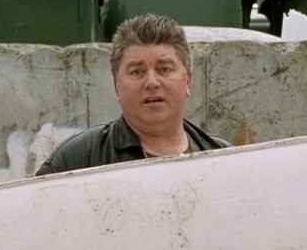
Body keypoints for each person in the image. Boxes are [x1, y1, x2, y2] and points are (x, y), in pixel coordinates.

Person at [35, 14, 232, 176]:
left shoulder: (226, 159)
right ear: (117, 86)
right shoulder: (76, 162)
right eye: (137, 72)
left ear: (187, 81)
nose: (152, 82)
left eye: (164, 69)